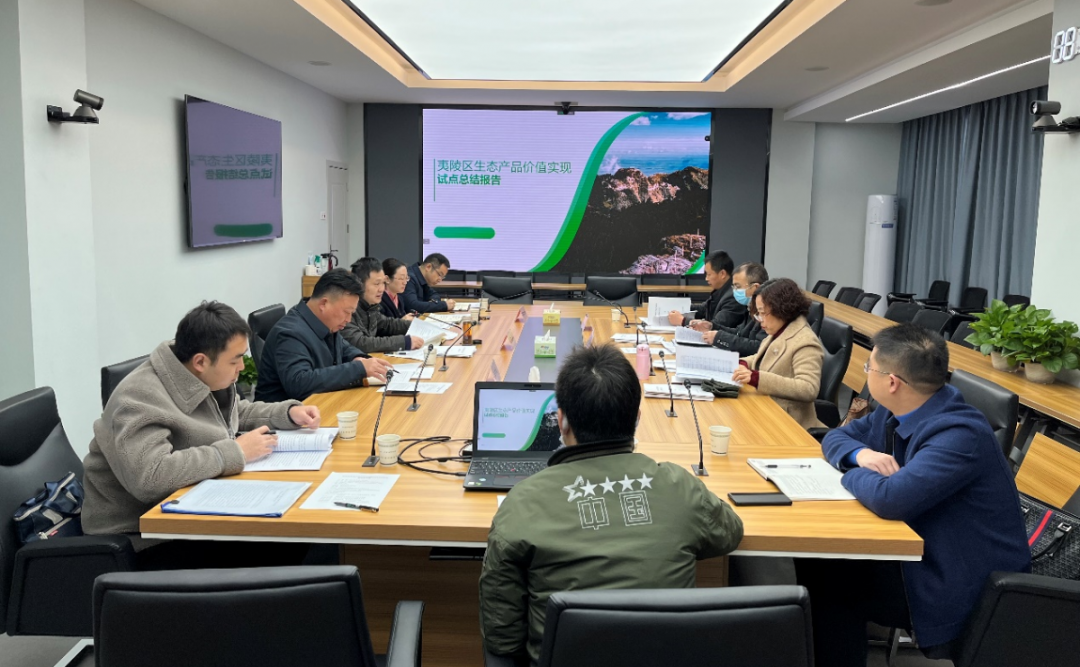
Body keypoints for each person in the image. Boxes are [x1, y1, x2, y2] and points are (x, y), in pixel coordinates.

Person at [480, 344, 744, 665]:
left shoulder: (523, 501)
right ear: (637, 419)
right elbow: (730, 532)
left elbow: (502, 636)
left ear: (561, 421)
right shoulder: (679, 486)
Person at [799, 323, 1030, 666]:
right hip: (920, 548)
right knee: (817, 563)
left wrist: (851, 472)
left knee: (830, 580)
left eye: (869, 367)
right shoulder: (896, 409)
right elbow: (834, 437)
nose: (866, 372)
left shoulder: (960, 434)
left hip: (957, 579)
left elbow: (890, 499)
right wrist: (860, 454)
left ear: (892, 382)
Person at [82, 301, 321, 567]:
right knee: (282, 541)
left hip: (189, 509)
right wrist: (236, 452)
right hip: (142, 537)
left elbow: (234, 413)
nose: (242, 367)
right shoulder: (139, 397)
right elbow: (150, 476)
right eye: (235, 360)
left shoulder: (198, 374)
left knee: (292, 534)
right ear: (200, 361)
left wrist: (286, 413)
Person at [256, 269, 392, 402]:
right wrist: (358, 368)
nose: (349, 319)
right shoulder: (290, 333)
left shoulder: (324, 321)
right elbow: (300, 383)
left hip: (320, 404)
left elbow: (344, 348)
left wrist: (358, 358)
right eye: (347, 312)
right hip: (288, 413)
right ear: (323, 303)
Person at [731, 278, 824, 429]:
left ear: (781, 309)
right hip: (768, 409)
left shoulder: (805, 341)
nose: (759, 320)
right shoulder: (780, 329)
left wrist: (756, 377)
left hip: (789, 422)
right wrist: (741, 363)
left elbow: (808, 388)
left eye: (762, 313)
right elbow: (764, 357)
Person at [342, 257, 424, 353]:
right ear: (359, 285)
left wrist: (419, 326)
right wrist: (404, 342)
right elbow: (361, 343)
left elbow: (389, 324)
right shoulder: (347, 309)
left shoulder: (371, 307)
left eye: (383, 283)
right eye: (377, 284)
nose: (381, 289)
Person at [702, 261, 769, 356]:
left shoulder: (767, 312)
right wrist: (712, 326)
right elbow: (739, 333)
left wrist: (719, 337)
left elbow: (758, 347)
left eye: (738, 286)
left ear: (755, 288)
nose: (734, 291)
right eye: (733, 287)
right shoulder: (751, 308)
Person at [667, 250, 745, 330]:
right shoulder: (720, 291)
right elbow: (703, 309)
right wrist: (678, 306)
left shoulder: (734, 297)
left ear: (722, 274)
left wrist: (683, 321)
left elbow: (714, 326)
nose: (706, 279)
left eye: (709, 274)